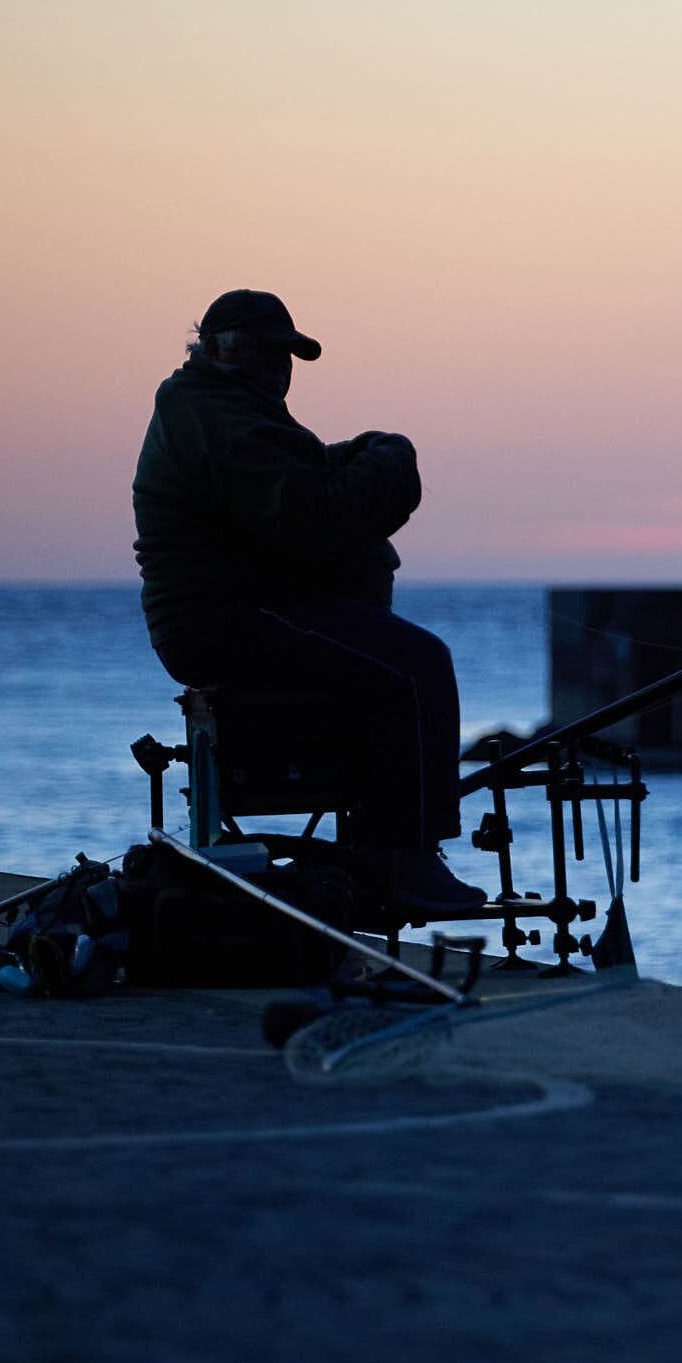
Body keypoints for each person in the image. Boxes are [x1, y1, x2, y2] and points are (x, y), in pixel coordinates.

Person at [132, 289, 484, 915]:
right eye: (263, 353)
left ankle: (384, 846)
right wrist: (392, 458)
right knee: (418, 666)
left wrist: (365, 456)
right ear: (215, 349)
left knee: (392, 664)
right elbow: (316, 517)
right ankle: (403, 858)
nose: (278, 367)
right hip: (226, 617)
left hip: (246, 608)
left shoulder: (225, 411)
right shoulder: (221, 418)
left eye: (286, 356)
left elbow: (306, 475)